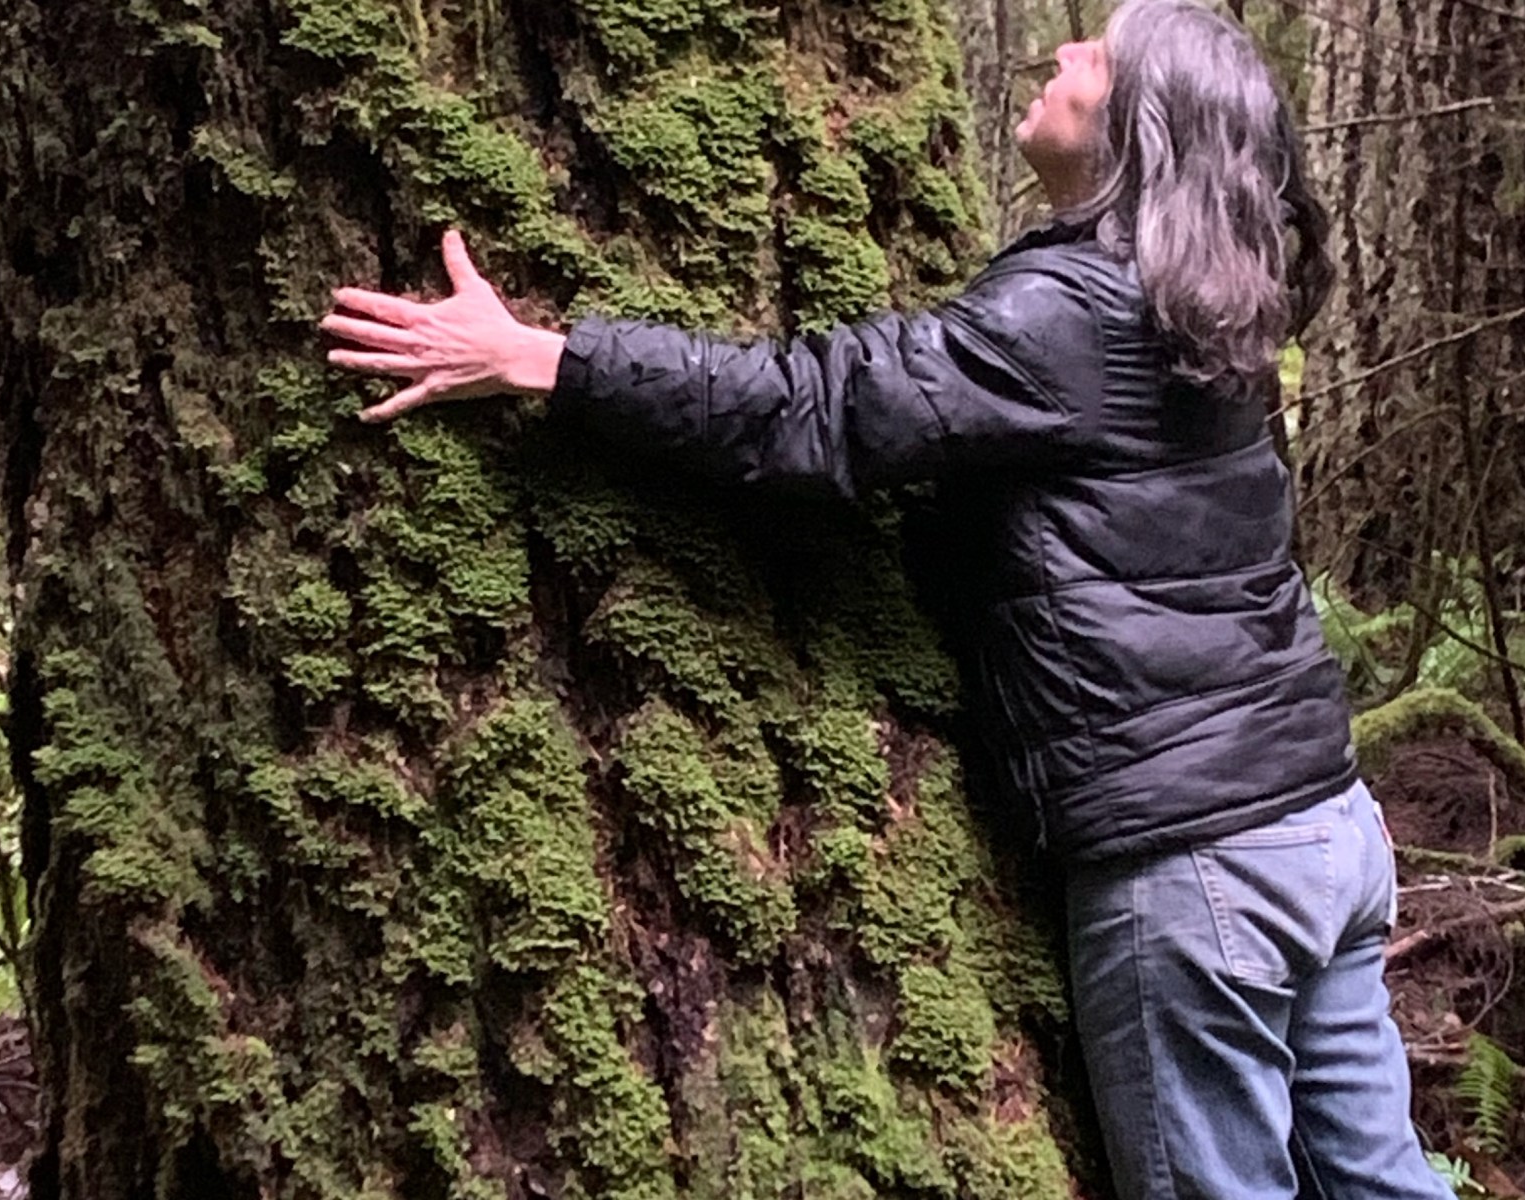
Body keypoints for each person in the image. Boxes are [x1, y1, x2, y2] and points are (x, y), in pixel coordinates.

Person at [320, 2, 1455, 1196]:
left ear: (1137, 122)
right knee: (1382, 1182)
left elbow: (815, 409)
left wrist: (548, 359)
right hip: (1324, 830)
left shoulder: (1068, 318)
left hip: (1196, 864)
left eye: (1093, 57)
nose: (1058, 53)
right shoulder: (1212, 312)